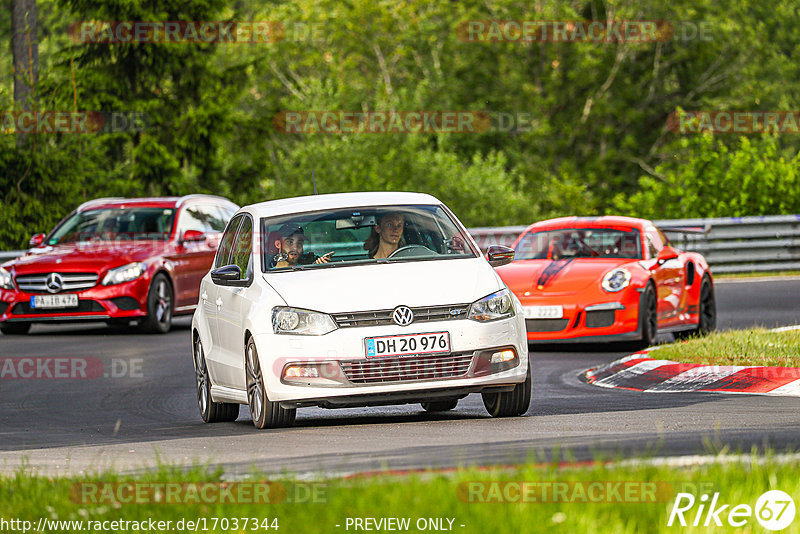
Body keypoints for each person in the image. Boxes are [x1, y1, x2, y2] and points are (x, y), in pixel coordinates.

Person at [268, 223, 333, 268]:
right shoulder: (268, 275)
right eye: (290, 242)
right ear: (278, 244)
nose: (295, 248)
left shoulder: (307, 269)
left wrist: (321, 267)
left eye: (299, 243)